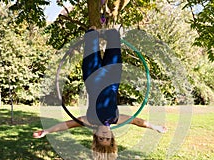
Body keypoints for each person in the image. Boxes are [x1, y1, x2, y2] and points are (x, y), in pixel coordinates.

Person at [33, 28, 167, 144]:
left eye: (100, 139)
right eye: (107, 139)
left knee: (91, 34)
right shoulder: (115, 118)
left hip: (92, 74)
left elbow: (67, 125)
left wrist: (47, 131)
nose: (104, 137)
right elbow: (137, 122)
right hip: (112, 74)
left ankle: (98, 21)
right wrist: (156, 127)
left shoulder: (91, 120)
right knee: (114, 34)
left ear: (95, 136)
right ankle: (105, 23)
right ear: (111, 136)